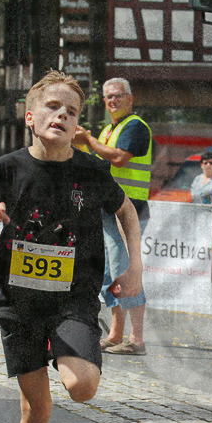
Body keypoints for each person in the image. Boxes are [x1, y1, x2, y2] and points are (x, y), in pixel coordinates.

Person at [0, 70, 143, 423]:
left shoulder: (90, 170)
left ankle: (72, 354)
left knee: (81, 385)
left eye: (71, 111)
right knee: (36, 410)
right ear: (30, 117)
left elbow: (126, 210)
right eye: (52, 107)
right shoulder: (7, 169)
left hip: (73, 298)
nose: (61, 115)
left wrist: (135, 269)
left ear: (77, 123)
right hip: (19, 303)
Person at [73, 78, 151, 356]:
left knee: (125, 271)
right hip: (109, 210)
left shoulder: (135, 127)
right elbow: (100, 164)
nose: (113, 101)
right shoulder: (109, 130)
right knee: (109, 274)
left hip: (129, 211)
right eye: (108, 97)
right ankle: (116, 334)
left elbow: (118, 158)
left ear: (131, 99)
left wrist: (88, 140)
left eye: (118, 96)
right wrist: (84, 144)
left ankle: (136, 339)